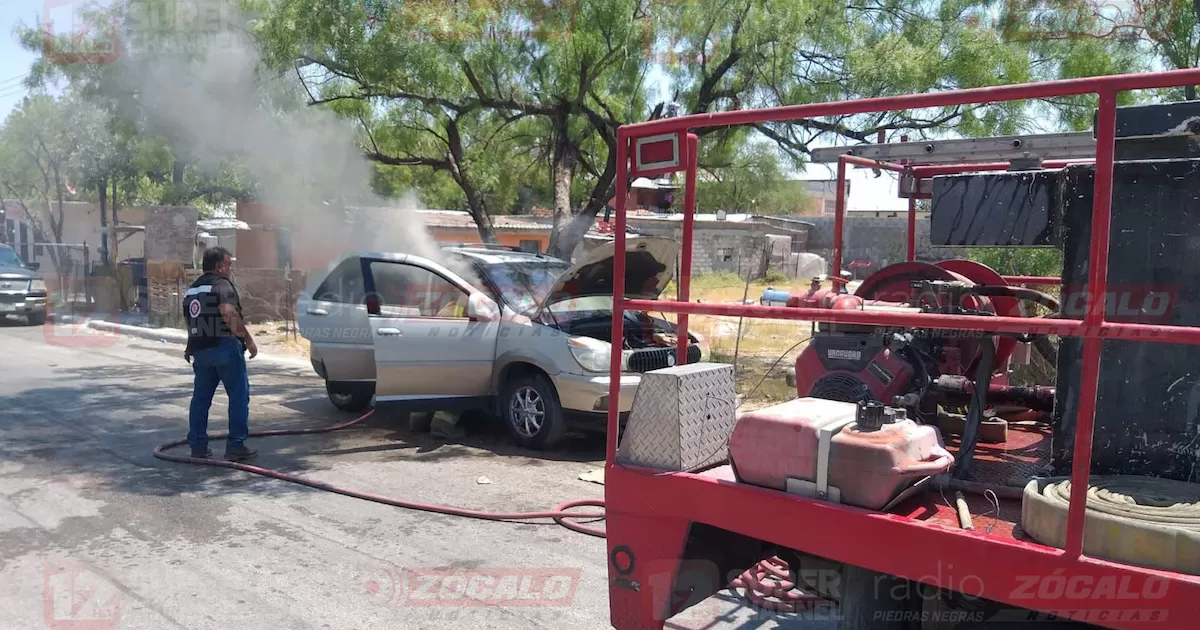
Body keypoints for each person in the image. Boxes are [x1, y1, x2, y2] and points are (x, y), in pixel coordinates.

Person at [183, 247, 259, 460]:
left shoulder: (191, 291)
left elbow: (193, 322)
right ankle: (235, 445)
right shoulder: (222, 284)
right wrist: (248, 340)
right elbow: (227, 312)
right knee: (238, 396)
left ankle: (197, 446)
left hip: (201, 352)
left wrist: (190, 346)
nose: (230, 267)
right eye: (228, 264)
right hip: (225, 347)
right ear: (218, 266)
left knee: (200, 399)